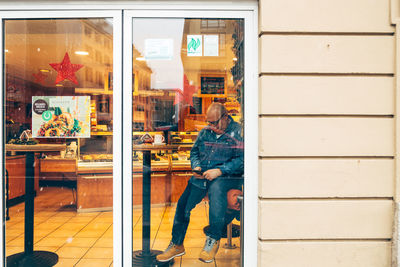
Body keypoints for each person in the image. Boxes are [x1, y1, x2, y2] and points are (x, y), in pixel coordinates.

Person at [157, 103, 244, 263]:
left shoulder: (238, 131)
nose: (211, 126)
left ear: (225, 117)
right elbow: (194, 151)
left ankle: (212, 240)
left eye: (214, 123)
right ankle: (177, 244)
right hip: (203, 175)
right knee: (183, 204)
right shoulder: (205, 132)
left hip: (227, 177)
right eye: (208, 123)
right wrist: (196, 165)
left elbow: (242, 159)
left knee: (216, 192)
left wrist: (220, 170)